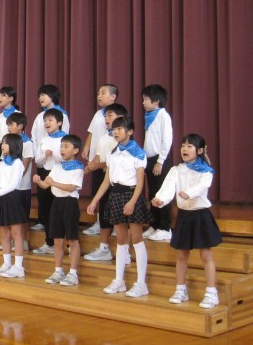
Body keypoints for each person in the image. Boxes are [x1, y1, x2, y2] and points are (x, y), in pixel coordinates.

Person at [152, 134, 222, 309]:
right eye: (183, 145)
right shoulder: (176, 170)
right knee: (181, 255)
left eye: (189, 146)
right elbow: (168, 187)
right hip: (184, 216)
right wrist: (160, 199)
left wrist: (189, 193)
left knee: (205, 256)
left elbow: (202, 186)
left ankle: (211, 293)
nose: (184, 149)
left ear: (199, 150)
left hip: (201, 216)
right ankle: (180, 290)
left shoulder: (206, 171)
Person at [87, 116, 153, 298]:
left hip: (131, 195)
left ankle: (141, 284)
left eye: (119, 129)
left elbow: (140, 182)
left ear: (130, 131)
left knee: (137, 239)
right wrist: (94, 201)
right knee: (121, 240)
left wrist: (132, 202)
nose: (115, 132)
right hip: (115, 195)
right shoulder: (113, 153)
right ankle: (119, 280)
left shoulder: (138, 153)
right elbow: (106, 180)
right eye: (113, 129)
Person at [36, 135, 85, 286]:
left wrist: (53, 183)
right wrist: (38, 181)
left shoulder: (78, 167)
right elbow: (46, 185)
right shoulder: (57, 166)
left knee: (72, 240)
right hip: (56, 203)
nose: (62, 149)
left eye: (66, 146)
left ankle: (73, 273)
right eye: (61, 146)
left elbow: (71, 187)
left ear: (75, 150)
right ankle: (58, 271)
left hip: (70, 204)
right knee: (57, 240)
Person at [82, 103, 129, 262]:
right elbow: (99, 156)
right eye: (105, 116)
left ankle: (125, 251)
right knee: (104, 213)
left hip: (120, 184)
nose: (106, 119)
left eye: (110, 115)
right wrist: (91, 166)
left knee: (121, 217)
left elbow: (114, 162)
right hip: (105, 179)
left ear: (120, 118)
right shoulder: (103, 138)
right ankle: (103, 248)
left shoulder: (124, 140)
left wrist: (98, 165)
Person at [0, 134, 26, 278]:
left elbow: (13, 185)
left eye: (6, 143)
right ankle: (7, 263)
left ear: (14, 145)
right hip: (2, 198)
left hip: (13, 198)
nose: (2, 145)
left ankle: (18, 267)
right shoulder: (2, 162)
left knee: (16, 234)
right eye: (2, 143)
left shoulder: (18, 163)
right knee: (5, 233)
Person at [30, 84, 70, 231]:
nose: (40, 98)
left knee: (56, 194)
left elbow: (65, 137)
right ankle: (42, 221)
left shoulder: (62, 115)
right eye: (39, 95)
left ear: (52, 96)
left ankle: (57, 225)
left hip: (57, 163)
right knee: (43, 194)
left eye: (44, 95)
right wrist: (38, 154)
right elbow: (34, 136)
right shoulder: (39, 116)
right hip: (42, 159)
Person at [81, 84, 119, 235]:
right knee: (98, 191)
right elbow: (91, 132)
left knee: (111, 194)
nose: (99, 96)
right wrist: (86, 147)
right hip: (97, 159)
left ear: (113, 97)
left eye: (103, 93)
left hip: (110, 162)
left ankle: (116, 225)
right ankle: (99, 222)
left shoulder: (116, 114)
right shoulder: (98, 114)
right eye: (98, 93)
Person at [141, 84, 174, 242]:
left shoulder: (163, 116)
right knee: (152, 193)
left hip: (160, 160)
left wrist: (160, 161)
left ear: (156, 101)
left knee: (162, 193)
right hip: (149, 159)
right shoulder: (150, 116)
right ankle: (154, 225)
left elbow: (167, 140)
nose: (143, 103)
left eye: (146, 100)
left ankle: (164, 228)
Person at [33, 108, 66, 255]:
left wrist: (54, 156)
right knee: (45, 208)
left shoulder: (65, 139)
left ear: (59, 122)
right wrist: (46, 155)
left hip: (60, 174)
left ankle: (63, 243)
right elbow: (37, 160)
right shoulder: (44, 139)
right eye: (45, 120)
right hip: (45, 173)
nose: (47, 123)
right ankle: (49, 242)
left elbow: (66, 159)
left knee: (59, 210)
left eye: (50, 120)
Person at [6, 112, 34, 252]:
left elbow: (24, 166)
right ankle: (11, 240)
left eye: (11, 125)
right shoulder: (9, 142)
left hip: (22, 186)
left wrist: (12, 178)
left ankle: (23, 241)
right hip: (9, 187)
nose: (8, 127)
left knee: (22, 215)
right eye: (8, 125)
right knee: (11, 215)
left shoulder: (27, 143)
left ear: (21, 126)